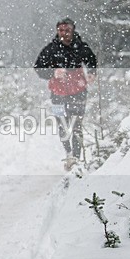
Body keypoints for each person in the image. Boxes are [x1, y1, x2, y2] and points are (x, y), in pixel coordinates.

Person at [34, 17, 97, 170]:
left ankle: (76, 157)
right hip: (57, 93)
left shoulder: (81, 47)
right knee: (62, 125)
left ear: (73, 30)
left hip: (79, 91)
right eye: (61, 30)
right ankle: (68, 153)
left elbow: (92, 60)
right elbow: (38, 68)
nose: (64, 33)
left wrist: (92, 73)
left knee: (76, 125)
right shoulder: (51, 49)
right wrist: (53, 72)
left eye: (67, 30)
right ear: (57, 31)